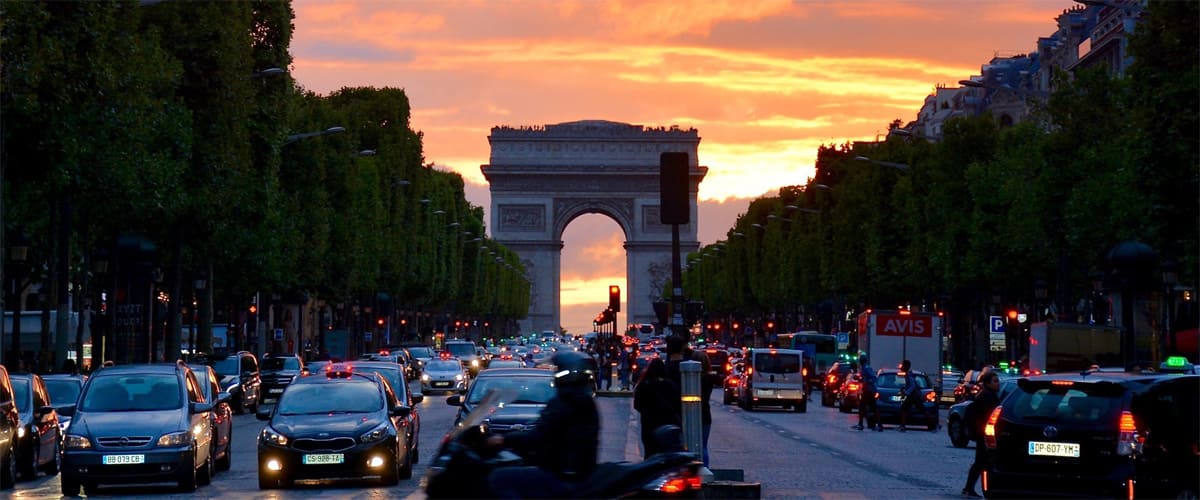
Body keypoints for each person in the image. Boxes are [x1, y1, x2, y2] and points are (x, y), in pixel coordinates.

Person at [486, 351, 600, 498]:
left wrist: (504, 439)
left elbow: (539, 436)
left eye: (558, 370)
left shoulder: (566, 402)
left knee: (499, 477)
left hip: (563, 474)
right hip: (573, 470)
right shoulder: (582, 400)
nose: (555, 373)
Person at [664, 333, 714, 467]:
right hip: (703, 415)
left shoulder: (668, 369)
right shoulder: (707, 378)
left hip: (680, 414)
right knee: (702, 446)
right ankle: (703, 470)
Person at [961, 371, 1001, 497]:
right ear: (988, 383)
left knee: (981, 462)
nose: (998, 384)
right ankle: (974, 488)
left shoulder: (985, 395)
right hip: (985, 435)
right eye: (995, 381)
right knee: (982, 462)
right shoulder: (988, 397)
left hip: (982, 434)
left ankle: (970, 488)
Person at [633, 358, 681, 458]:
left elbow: (637, 405)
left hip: (648, 425)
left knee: (650, 453)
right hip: (667, 424)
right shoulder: (670, 385)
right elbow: (677, 404)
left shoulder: (643, 385)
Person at [898, 359, 934, 432]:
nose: (901, 367)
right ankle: (932, 424)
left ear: (906, 366)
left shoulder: (908, 375)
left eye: (903, 365)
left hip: (913, 396)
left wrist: (906, 393)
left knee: (904, 409)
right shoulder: (908, 374)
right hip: (914, 395)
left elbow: (913, 385)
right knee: (921, 410)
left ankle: (903, 426)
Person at [856, 355, 881, 431]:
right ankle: (878, 424)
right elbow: (864, 379)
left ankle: (861, 424)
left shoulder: (867, 368)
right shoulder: (863, 368)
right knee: (870, 407)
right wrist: (860, 379)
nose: (860, 362)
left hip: (869, 391)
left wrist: (867, 382)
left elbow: (874, 378)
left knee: (863, 407)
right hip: (867, 390)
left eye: (860, 360)